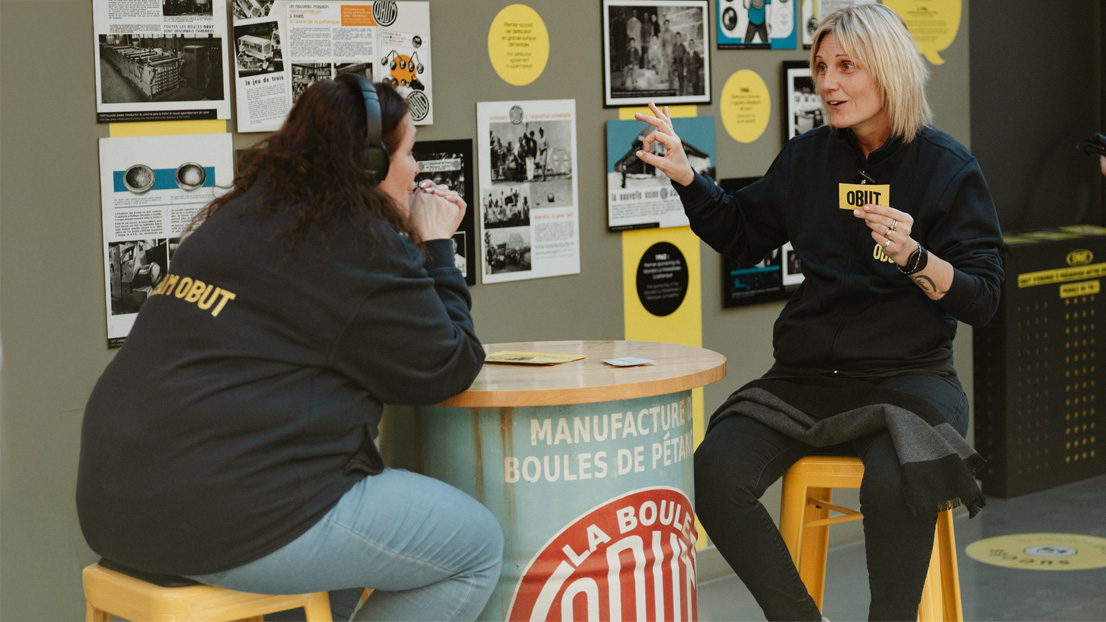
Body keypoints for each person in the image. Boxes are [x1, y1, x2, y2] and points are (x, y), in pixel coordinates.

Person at [76, 76, 503, 622]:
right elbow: (448, 365)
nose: (417, 168)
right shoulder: (353, 243)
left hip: (117, 511)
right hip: (227, 516)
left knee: (345, 568)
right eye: (409, 151)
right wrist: (437, 245)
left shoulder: (237, 217)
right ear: (369, 164)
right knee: (474, 548)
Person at [635, 4, 1001, 621]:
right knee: (713, 473)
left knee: (895, 481)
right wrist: (687, 179)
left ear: (887, 72)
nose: (827, 82)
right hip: (808, 379)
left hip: (910, 380)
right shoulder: (809, 157)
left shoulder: (948, 168)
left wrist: (915, 257)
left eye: (846, 67)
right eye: (821, 66)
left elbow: (984, 298)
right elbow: (743, 232)